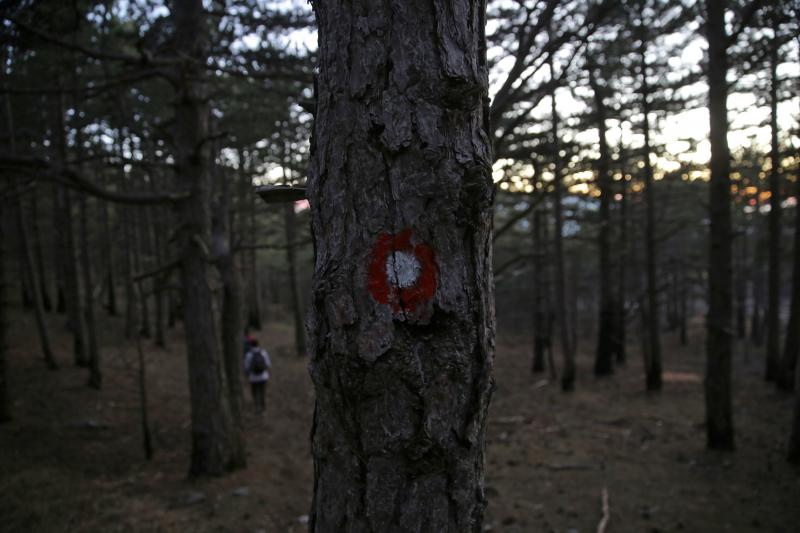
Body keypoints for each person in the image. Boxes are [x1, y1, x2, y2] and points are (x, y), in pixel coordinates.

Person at [244, 337, 271, 413]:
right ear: (258, 344)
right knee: (262, 392)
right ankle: (263, 407)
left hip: (253, 378)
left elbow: (246, 367)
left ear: (251, 345)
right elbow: (268, 364)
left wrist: (246, 375)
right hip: (263, 377)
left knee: (255, 392)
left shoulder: (248, 354)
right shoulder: (264, 352)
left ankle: (256, 406)